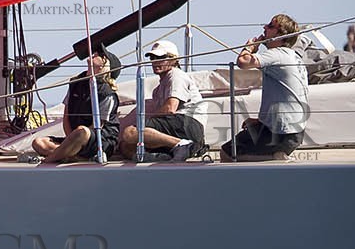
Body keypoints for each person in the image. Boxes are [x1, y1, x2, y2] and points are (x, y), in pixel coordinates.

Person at [220, 13, 309, 161]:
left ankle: (275, 158)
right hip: (293, 131)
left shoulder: (277, 54)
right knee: (233, 149)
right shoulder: (293, 57)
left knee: (228, 153)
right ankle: (274, 156)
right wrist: (261, 120)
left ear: (281, 35)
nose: (264, 27)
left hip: (280, 132)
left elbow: (243, 62)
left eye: (270, 26)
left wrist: (249, 48)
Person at [118, 39, 206, 162]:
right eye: (153, 58)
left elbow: (170, 109)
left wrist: (145, 121)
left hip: (188, 124)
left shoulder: (176, 75)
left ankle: (184, 145)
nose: (155, 62)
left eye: (161, 57)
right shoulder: (158, 89)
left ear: (174, 60)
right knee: (126, 146)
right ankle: (166, 156)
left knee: (130, 133)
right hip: (177, 127)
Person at [31, 48, 121, 164]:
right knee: (39, 142)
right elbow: (66, 116)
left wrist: (75, 138)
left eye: (100, 55)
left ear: (104, 66)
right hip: (75, 139)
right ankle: (75, 156)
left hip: (99, 141)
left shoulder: (107, 94)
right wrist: (70, 139)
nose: (94, 54)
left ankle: (49, 160)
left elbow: (97, 126)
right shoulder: (75, 83)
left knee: (82, 131)